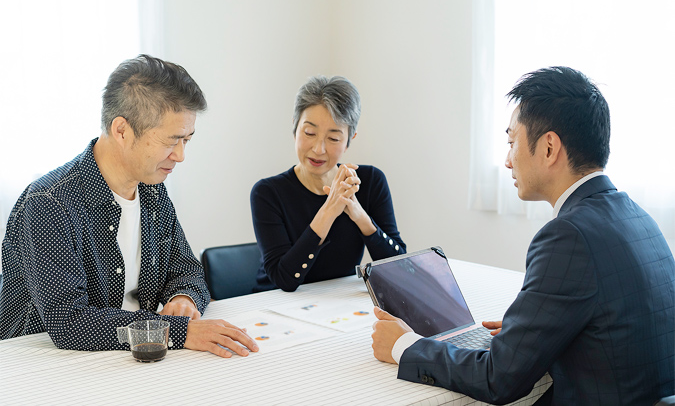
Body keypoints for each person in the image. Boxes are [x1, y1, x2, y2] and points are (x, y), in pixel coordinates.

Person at [371, 67, 675, 405]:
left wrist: (405, 345)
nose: (507, 161)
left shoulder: (568, 236)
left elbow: (499, 379)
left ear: (548, 148)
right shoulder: (637, 217)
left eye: (511, 142)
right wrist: (534, 332)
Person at [0, 55, 258, 359]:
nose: (180, 155)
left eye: (187, 140)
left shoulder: (152, 190)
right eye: (171, 140)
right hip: (44, 365)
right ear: (122, 130)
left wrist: (183, 298)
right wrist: (177, 331)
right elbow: (68, 323)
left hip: (135, 356)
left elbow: (187, 271)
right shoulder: (48, 204)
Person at [250, 75, 406, 292]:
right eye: (310, 133)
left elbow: (399, 269)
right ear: (295, 129)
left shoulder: (370, 181)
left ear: (350, 139)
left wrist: (360, 216)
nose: (318, 149)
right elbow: (284, 280)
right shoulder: (267, 193)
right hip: (275, 304)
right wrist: (329, 211)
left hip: (336, 305)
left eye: (333, 138)